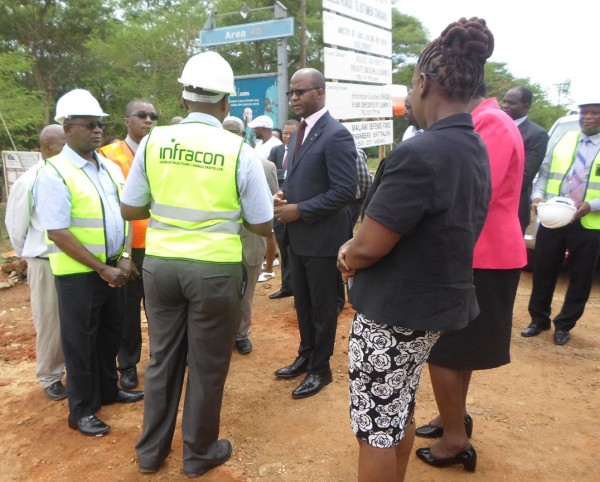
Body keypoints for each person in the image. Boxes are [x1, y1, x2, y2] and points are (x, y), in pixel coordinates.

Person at [337, 17, 493, 481]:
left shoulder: (420, 152)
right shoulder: (473, 147)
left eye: (410, 84)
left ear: (424, 83)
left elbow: (370, 246)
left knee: (375, 429)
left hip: (393, 312)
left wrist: (349, 251)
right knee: (396, 409)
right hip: (431, 310)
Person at [121, 52, 273, 476]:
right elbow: (261, 224)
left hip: (161, 267)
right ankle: (199, 452)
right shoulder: (237, 150)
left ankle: (151, 452)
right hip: (215, 272)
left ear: (183, 99)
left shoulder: (153, 141)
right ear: (226, 103)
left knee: (162, 360)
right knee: (207, 365)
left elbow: (130, 209)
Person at [416, 82, 526, 472]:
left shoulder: (490, 122)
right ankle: (453, 417)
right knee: (455, 352)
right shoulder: (487, 119)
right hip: (479, 253)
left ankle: (456, 440)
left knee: (443, 351)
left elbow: (471, 191)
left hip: (484, 254)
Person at [34, 89, 144, 437]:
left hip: (114, 268)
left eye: (100, 125)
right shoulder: (55, 172)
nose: (97, 131)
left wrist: (125, 256)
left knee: (111, 334)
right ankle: (81, 410)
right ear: (67, 128)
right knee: (80, 342)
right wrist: (102, 268)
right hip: (79, 275)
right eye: (88, 125)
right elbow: (58, 232)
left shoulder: (109, 168)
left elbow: (125, 216)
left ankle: (108, 391)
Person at [274, 68, 357, 399]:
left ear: (320, 92)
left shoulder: (336, 134)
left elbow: (345, 190)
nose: (293, 97)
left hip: (323, 238)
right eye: (291, 93)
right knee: (304, 304)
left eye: (300, 91)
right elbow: (295, 179)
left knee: (323, 308)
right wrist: (285, 197)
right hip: (298, 237)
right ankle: (306, 355)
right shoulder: (297, 134)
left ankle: (320, 370)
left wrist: (301, 209)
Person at [521, 97, 600, 345]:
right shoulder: (564, 140)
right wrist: (537, 196)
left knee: (580, 276)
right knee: (543, 268)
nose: (587, 117)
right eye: (584, 112)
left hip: (589, 221)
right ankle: (538, 319)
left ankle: (564, 324)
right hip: (555, 216)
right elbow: (544, 174)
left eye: (594, 113)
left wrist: (592, 205)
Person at [98, 99, 158, 389]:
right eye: (142, 115)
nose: (148, 120)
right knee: (129, 308)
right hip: (130, 245)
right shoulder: (108, 155)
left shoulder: (161, 151)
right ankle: (129, 365)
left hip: (160, 242)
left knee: (160, 306)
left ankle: (162, 359)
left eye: (152, 116)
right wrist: (125, 251)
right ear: (127, 121)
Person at [5, 124, 67, 401]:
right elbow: (16, 225)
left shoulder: (71, 175)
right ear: (47, 147)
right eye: (63, 144)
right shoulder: (30, 180)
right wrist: (30, 253)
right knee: (50, 321)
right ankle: (51, 375)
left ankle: (77, 369)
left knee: (77, 320)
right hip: (45, 261)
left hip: (75, 260)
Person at [223, 115, 279, 354]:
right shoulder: (211, 164)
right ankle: (221, 336)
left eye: (234, 133)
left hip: (250, 240)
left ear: (242, 135)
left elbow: (273, 203)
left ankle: (241, 335)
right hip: (219, 242)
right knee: (219, 294)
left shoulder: (265, 166)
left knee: (246, 294)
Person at [502, 86, 549, 232]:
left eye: (511, 103)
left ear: (526, 106)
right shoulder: (498, 126)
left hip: (511, 209)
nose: (505, 106)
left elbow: (523, 177)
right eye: (504, 101)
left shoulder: (537, 135)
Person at [267, 119, 300, 299]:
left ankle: (299, 288)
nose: (287, 136)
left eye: (291, 133)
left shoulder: (303, 151)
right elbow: (273, 173)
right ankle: (287, 285)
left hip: (295, 206)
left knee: (296, 249)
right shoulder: (277, 151)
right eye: (285, 133)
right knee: (283, 244)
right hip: (279, 205)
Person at [248, 114, 282, 283]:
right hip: (257, 185)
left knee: (270, 228)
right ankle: (270, 257)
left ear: (264, 128)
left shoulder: (275, 146)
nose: (254, 131)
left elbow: (275, 171)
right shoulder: (259, 144)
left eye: (256, 128)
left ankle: (269, 267)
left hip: (269, 186)